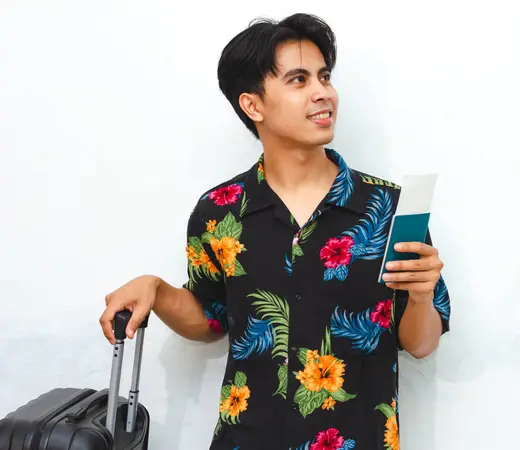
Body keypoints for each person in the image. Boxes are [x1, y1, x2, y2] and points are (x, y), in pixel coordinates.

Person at [100, 12, 451, 450]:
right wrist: (156, 288)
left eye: (325, 76)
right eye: (299, 80)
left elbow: (420, 344)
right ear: (253, 105)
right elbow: (211, 320)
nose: (323, 93)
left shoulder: (388, 207)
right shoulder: (218, 213)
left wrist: (420, 296)